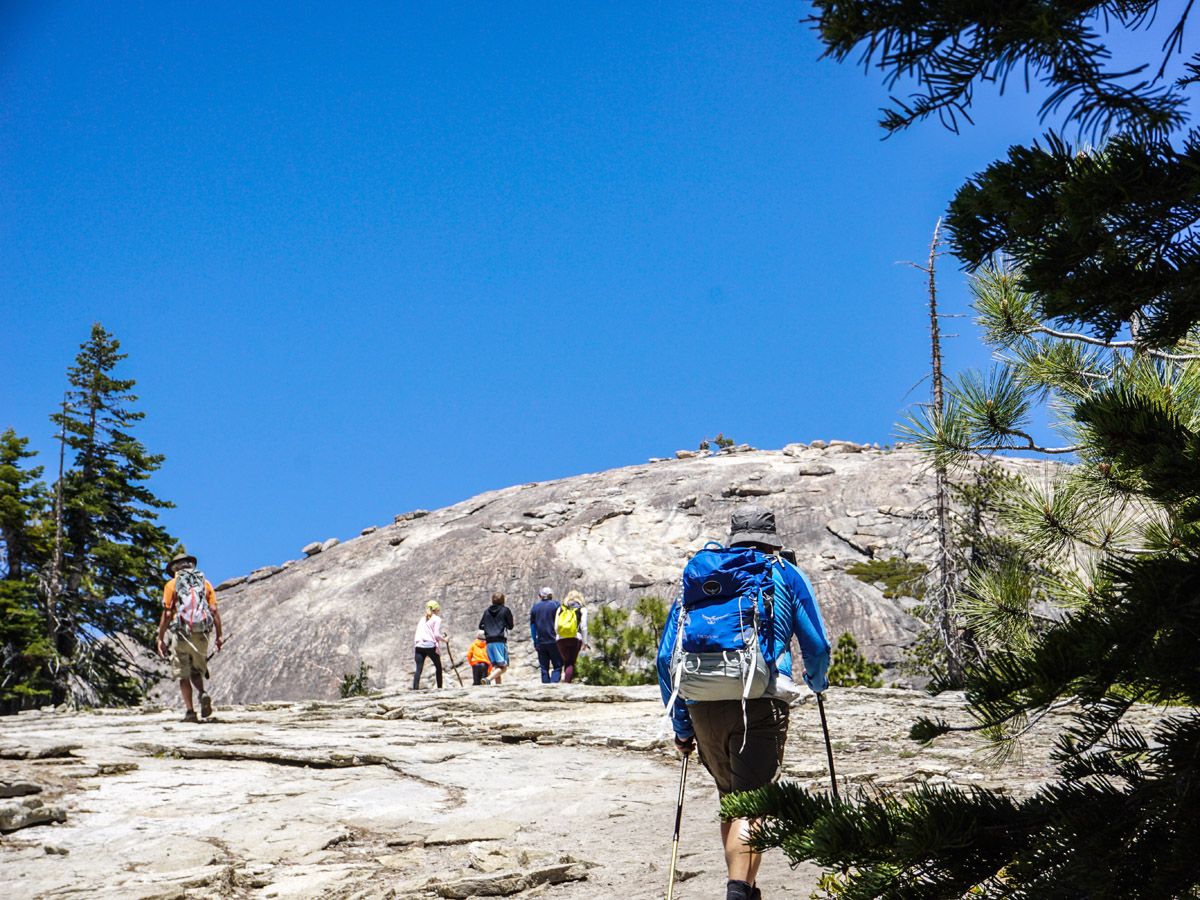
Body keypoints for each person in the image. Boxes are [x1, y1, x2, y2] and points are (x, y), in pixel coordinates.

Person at [657, 506, 831, 900]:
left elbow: (666, 657)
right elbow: (816, 645)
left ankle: (747, 891)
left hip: (703, 705)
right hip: (758, 701)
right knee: (752, 806)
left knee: (731, 801)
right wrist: (817, 683)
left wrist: (682, 725)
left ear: (733, 536)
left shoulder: (702, 575)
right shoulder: (782, 571)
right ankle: (738, 893)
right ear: (773, 538)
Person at [156, 551, 224, 723]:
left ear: (174, 569)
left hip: (181, 634)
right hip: (201, 633)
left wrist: (160, 637)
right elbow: (214, 610)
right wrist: (219, 636)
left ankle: (190, 712)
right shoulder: (205, 583)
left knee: (183, 674)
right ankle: (203, 693)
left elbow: (168, 611)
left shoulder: (172, 584)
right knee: (196, 671)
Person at [529, 586, 563, 683]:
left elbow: (532, 626)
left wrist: (535, 641)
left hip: (541, 641)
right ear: (551, 595)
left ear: (540, 596)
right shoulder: (556, 605)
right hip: (554, 640)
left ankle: (545, 687)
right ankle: (553, 685)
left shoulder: (535, 608)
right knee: (557, 666)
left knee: (544, 668)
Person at [413, 600, 448, 689]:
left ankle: (415, 690)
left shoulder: (422, 619)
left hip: (419, 645)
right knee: (438, 667)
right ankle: (439, 688)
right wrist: (444, 640)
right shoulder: (437, 619)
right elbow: (436, 634)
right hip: (429, 645)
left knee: (418, 669)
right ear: (436, 610)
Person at [554, 589, 589, 683]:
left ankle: (566, 680)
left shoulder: (561, 609)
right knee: (571, 663)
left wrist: (560, 635)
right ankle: (567, 684)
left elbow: (556, 627)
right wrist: (585, 642)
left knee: (566, 661)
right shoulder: (582, 609)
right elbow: (584, 626)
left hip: (560, 639)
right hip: (575, 638)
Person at [479, 592, 514, 684]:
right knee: (503, 667)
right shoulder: (505, 610)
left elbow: (481, 625)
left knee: (495, 665)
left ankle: (498, 685)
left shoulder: (486, 611)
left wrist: (489, 628)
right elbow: (510, 626)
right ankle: (488, 679)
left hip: (489, 641)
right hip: (499, 640)